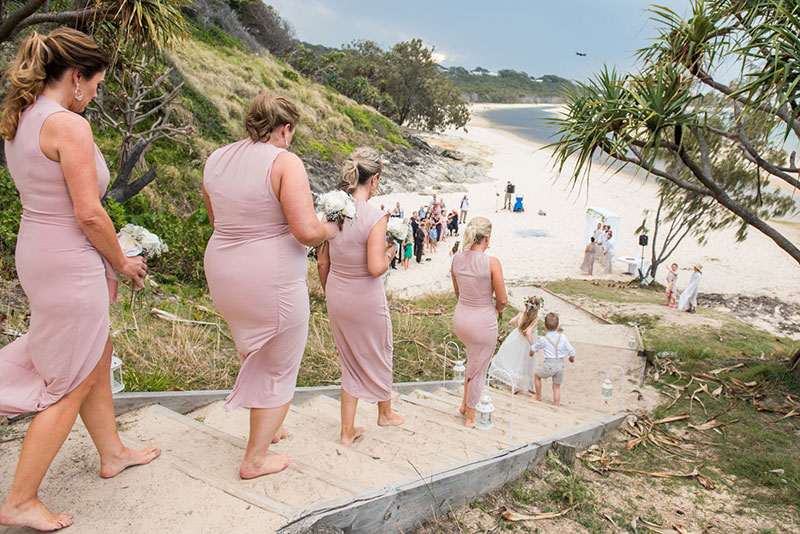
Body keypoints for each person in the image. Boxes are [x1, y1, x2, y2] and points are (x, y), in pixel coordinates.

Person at [0, 28, 160, 531]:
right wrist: (121, 261)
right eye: (95, 85)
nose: (95, 95)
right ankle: (21, 499)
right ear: (75, 77)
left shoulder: (22, 118)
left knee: (96, 352)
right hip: (69, 258)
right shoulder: (69, 126)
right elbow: (89, 214)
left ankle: (111, 451)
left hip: (40, 250)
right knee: (67, 379)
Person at [203, 93, 337, 479]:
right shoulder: (284, 162)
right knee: (280, 363)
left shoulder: (217, 158)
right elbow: (307, 231)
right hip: (269, 278)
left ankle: (272, 426)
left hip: (224, 271)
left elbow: (217, 219)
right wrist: (334, 226)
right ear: (286, 128)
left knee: (253, 347)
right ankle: (255, 459)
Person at [317, 147, 404, 446]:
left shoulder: (334, 212)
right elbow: (375, 266)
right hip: (365, 296)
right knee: (381, 349)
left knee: (349, 361)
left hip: (337, 294)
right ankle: (385, 414)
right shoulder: (375, 215)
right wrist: (391, 251)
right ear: (375, 180)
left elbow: (321, 261)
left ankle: (347, 431)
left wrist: (330, 291)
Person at [451, 217, 508, 428]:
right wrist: (498, 311)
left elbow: (458, 292)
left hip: (461, 319)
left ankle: (465, 405)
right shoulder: (492, 262)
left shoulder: (456, 259)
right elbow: (502, 299)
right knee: (479, 369)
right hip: (482, 321)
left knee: (472, 362)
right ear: (487, 238)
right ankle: (470, 417)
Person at [489, 297, 541, 394]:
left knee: (516, 361)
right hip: (526, 344)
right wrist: (533, 345)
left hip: (516, 339)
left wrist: (518, 327)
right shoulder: (534, 321)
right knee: (526, 363)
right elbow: (529, 333)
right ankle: (525, 385)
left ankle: (519, 385)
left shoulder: (521, 314)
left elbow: (511, 322)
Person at [531, 313, 576, 406]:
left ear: (544, 326)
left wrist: (531, 352)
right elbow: (571, 351)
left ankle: (538, 396)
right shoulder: (563, 337)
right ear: (558, 326)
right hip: (560, 365)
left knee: (537, 376)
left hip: (549, 364)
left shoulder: (544, 339)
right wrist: (571, 358)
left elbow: (534, 348)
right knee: (556, 387)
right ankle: (556, 403)